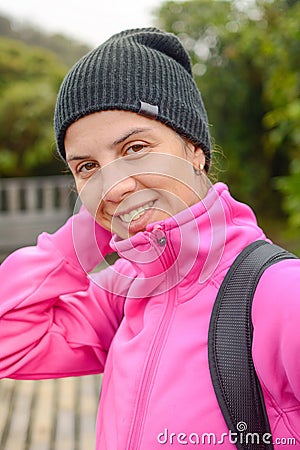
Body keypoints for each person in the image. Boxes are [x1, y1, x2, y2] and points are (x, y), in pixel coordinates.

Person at [0, 28, 299, 449]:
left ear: (194, 148)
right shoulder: (126, 291)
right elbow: (8, 340)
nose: (112, 184)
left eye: (135, 148)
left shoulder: (279, 292)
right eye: (87, 167)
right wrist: (90, 229)